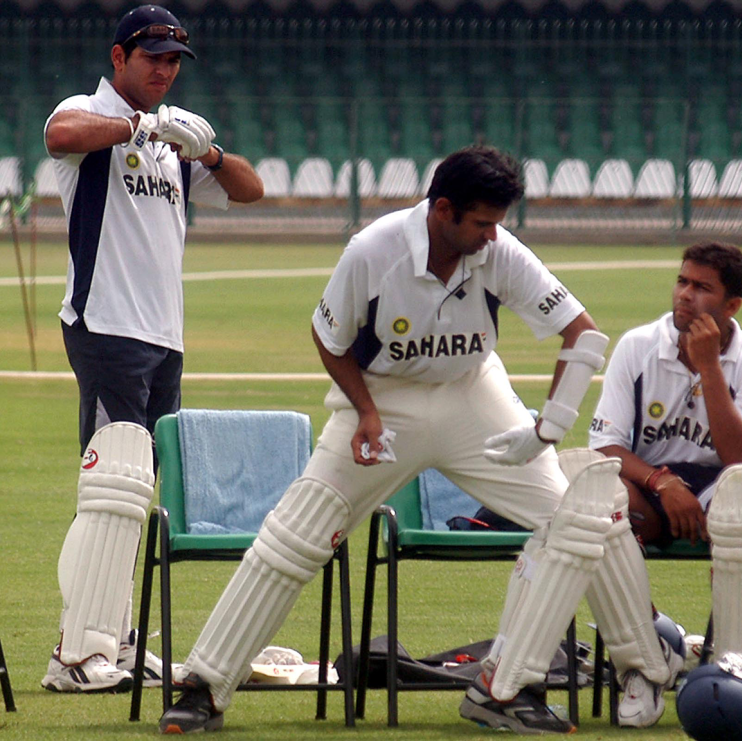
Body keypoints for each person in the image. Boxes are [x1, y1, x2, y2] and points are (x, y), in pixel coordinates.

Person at [158, 146, 615, 735]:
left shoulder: (499, 250)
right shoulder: (373, 251)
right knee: (295, 536)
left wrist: (546, 429)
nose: (491, 237)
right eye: (481, 223)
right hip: (382, 399)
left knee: (572, 522)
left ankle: (505, 688)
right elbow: (330, 338)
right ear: (443, 210)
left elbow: (582, 334)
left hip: (473, 395)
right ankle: (204, 686)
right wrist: (367, 413)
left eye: (498, 224)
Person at [41, 4, 264, 694]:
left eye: (173, 61)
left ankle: (116, 640)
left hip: (163, 335)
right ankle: (77, 654)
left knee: (137, 491)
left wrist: (211, 153)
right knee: (110, 487)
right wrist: (141, 125)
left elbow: (250, 190)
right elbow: (59, 133)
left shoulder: (173, 141)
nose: (164, 71)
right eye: (152, 58)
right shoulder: (91, 114)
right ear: (119, 59)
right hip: (107, 327)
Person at [584, 242, 742, 727]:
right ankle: (645, 663)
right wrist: (663, 481)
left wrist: (710, 366)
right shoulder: (637, 346)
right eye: (683, 282)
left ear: (731, 306)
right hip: (648, 485)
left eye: (702, 288)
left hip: (720, 487)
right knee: (593, 499)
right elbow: (606, 446)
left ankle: (737, 676)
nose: (685, 295)